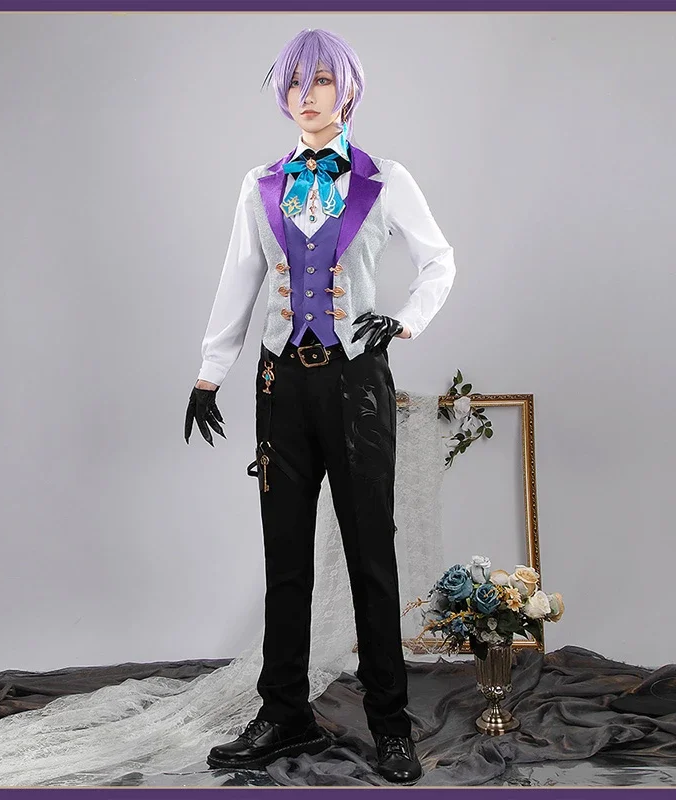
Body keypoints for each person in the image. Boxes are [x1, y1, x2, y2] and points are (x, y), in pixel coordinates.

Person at [185, 28, 456, 786]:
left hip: (356, 384)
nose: (307, 95)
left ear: (349, 89)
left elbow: (440, 260)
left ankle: (391, 725)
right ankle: (284, 713)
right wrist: (210, 374)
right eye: (296, 83)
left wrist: (405, 320)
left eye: (322, 80)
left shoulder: (384, 178)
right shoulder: (260, 184)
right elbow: (239, 278)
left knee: (372, 555)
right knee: (285, 556)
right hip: (281, 385)